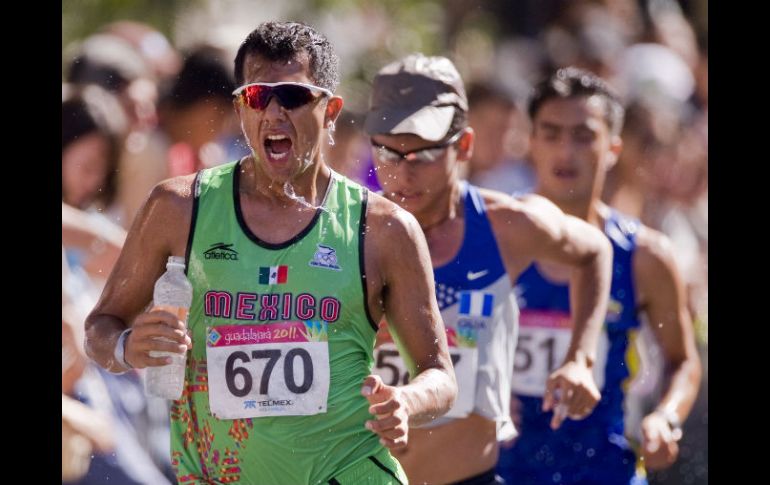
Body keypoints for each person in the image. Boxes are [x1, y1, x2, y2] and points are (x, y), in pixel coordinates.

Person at [85, 21, 457, 485]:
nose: (274, 113)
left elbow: (440, 376)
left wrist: (405, 401)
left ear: (331, 110)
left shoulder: (384, 228)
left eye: (294, 96)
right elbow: (100, 327)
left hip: (348, 473)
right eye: (259, 96)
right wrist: (125, 347)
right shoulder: (178, 208)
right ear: (240, 106)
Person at [364, 53, 613, 485]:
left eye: (423, 153)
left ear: (464, 146)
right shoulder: (347, 230)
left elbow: (594, 250)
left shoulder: (507, 225)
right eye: (388, 150)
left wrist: (579, 359)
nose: (403, 171)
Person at [495, 67, 702, 484]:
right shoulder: (488, 238)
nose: (565, 152)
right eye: (551, 134)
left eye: (583, 136)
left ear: (613, 147)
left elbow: (683, 362)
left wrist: (666, 417)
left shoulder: (645, 255)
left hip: (605, 470)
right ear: (529, 142)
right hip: (498, 470)